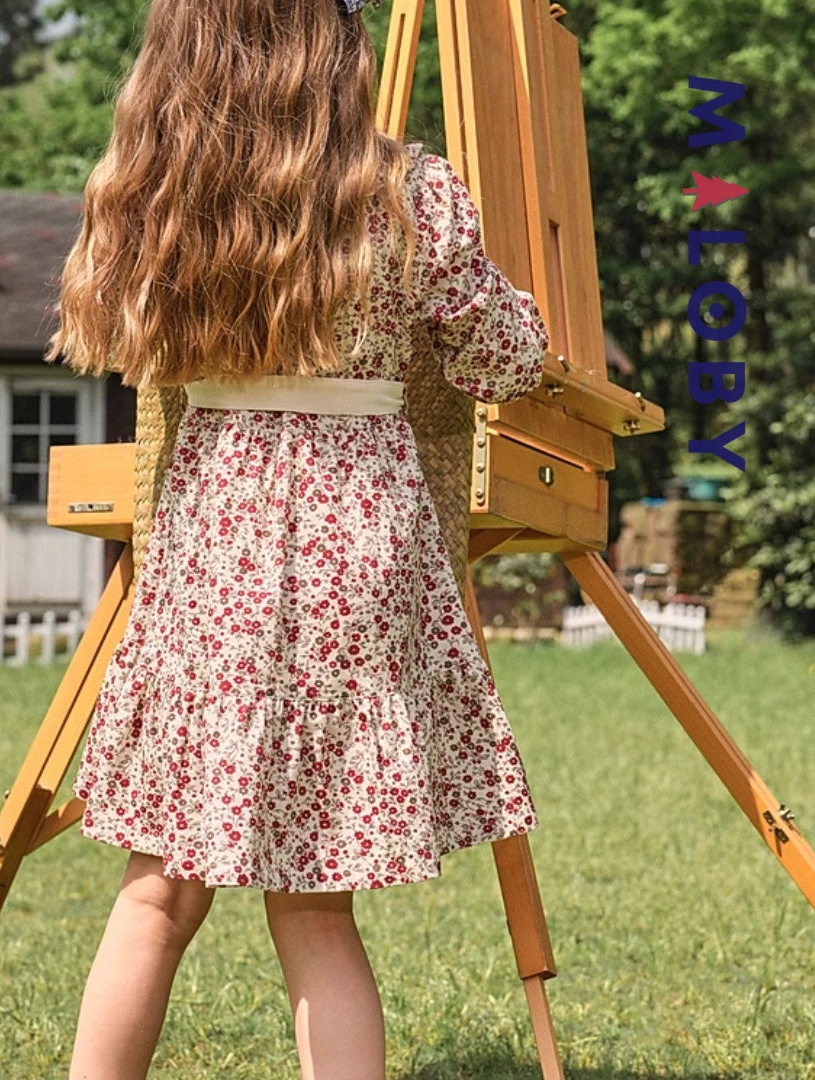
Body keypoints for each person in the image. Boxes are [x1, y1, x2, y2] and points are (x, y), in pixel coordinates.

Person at [44, 0, 549, 1077]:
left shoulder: (162, 186)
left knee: (157, 894)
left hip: (215, 529)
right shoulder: (406, 191)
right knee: (317, 913)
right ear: (331, 44)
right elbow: (503, 359)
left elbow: (116, 332)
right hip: (356, 536)